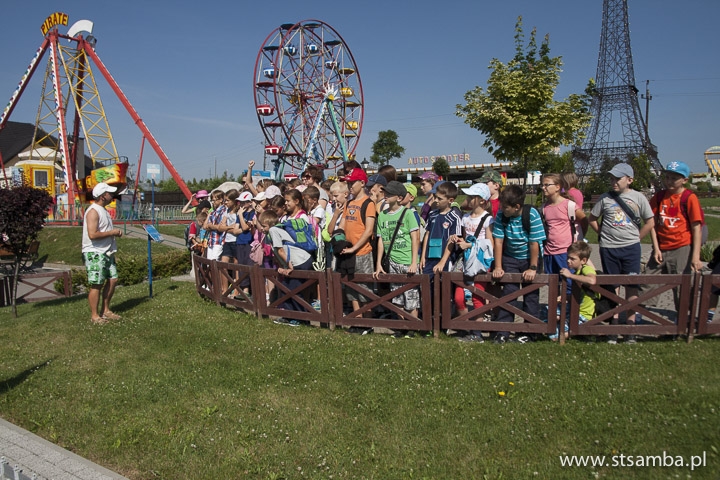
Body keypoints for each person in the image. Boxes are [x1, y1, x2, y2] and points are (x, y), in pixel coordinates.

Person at [588, 163, 654, 344]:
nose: (614, 182)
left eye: (618, 178)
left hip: (631, 248)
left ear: (630, 180)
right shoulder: (605, 198)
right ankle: (613, 327)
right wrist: (602, 234)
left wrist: (637, 238)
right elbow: (592, 218)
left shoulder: (638, 197)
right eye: (611, 178)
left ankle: (630, 329)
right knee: (613, 287)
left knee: (631, 286)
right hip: (609, 248)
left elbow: (650, 221)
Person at [640, 161, 704, 314]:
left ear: (684, 180)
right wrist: (656, 248)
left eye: (674, 178)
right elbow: (652, 223)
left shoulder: (689, 198)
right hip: (662, 246)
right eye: (667, 177)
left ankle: (682, 317)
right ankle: (640, 313)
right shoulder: (659, 197)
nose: (669, 181)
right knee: (647, 279)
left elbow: (696, 228)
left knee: (682, 284)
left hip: (681, 246)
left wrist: (695, 256)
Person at [492, 185, 546, 344]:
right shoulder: (502, 215)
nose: (502, 209)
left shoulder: (532, 214)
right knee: (509, 293)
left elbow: (534, 243)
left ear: (516, 206)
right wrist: (498, 266)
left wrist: (533, 268)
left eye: (505, 207)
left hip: (530, 257)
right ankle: (503, 331)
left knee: (531, 295)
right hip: (510, 256)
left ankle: (530, 332)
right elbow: (498, 241)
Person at [373, 181, 420, 335]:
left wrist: (414, 262)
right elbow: (380, 240)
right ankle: (401, 327)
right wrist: (379, 263)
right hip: (392, 261)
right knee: (397, 296)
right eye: (385, 193)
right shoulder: (382, 215)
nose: (385, 195)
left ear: (399, 198)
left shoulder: (408, 214)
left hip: (407, 260)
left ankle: (412, 328)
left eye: (389, 194)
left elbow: (415, 238)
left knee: (411, 297)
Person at [452, 182, 494, 342]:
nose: (468, 199)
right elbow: (464, 237)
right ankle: (467, 327)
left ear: (482, 200)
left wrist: (469, 245)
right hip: (465, 261)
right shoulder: (465, 218)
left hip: (480, 262)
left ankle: (477, 332)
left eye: (472, 197)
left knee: (478, 296)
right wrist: (458, 240)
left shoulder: (488, 219)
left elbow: (489, 244)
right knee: (459, 297)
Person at [258, 210, 314, 327]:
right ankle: (289, 316)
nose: (261, 229)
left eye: (264, 226)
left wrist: (288, 266)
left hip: (300, 261)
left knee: (294, 290)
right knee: (285, 288)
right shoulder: (269, 234)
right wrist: (282, 266)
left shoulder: (273, 230)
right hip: (293, 261)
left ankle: (302, 318)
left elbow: (281, 250)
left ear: (271, 224)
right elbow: (277, 253)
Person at [339, 168, 377, 324]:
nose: (349, 186)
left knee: (365, 290)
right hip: (348, 251)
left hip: (362, 252)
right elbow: (342, 225)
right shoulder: (349, 203)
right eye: (348, 183)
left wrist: (355, 248)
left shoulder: (369, 203)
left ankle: (367, 322)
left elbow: (368, 230)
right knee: (351, 289)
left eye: (352, 183)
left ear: (362, 183)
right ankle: (357, 320)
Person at [82, 182, 123, 325]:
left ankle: (105, 310)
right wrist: (112, 232)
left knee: (113, 279)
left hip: (107, 251)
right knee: (97, 284)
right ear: (102, 196)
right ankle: (95, 316)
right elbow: (92, 234)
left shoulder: (103, 210)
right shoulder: (93, 211)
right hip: (95, 253)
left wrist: (113, 234)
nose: (112, 196)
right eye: (109, 193)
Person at [541, 173, 587, 293]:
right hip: (549, 252)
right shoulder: (544, 207)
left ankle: (569, 304)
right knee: (552, 285)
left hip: (565, 251)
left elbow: (584, 220)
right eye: (542, 185)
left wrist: (580, 238)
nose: (543, 188)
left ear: (557, 187)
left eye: (546, 185)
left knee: (569, 284)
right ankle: (555, 304)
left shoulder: (569, 205)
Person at [420, 181, 462, 281]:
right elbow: (427, 234)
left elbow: (452, 240)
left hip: (445, 259)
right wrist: (423, 256)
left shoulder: (455, 217)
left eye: (439, 198)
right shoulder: (432, 214)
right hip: (429, 258)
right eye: (435, 197)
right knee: (427, 285)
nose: (435, 200)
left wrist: (443, 262)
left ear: (450, 200)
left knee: (444, 286)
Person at [558, 241, 598, 340]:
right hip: (577, 310)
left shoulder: (586, 269)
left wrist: (570, 275)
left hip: (585, 315)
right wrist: (567, 297)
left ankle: (582, 331)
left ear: (583, 260)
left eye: (572, 259)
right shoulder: (577, 271)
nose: (568, 261)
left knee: (555, 336)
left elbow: (592, 280)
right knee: (550, 312)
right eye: (568, 257)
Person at [203, 190, 227, 261]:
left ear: (221, 200)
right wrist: (211, 224)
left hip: (218, 241)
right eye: (212, 201)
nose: (213, 203)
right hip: (211, 241)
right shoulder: (213, 212)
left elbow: (220, 227)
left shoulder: (224, 211)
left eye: (214, 200)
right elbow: (205, 226)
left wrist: (211, 226)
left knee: (215, 262)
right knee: (209, 264)